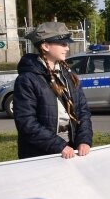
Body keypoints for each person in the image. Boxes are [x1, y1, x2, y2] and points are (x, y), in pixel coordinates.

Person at [13, 22, 93, 159]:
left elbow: (83, 111)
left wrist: (84, 140)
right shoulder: (27, 79)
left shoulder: (68, 74)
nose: (67, 48)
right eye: (62, 44)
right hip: (40, 153)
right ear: (45, 46)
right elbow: (26, 122)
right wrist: (59, 145)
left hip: (71, 147)